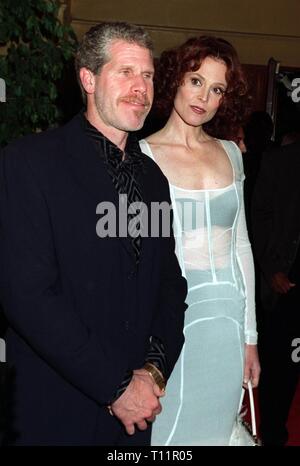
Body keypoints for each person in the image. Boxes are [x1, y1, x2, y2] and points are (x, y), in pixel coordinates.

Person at [0, 21, 187, 446]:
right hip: (54, 409)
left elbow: (168, 285)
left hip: (134, 417)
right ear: (88, 78)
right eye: (125, 72)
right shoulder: (30, 163)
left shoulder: (152, 178)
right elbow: (26, 296)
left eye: (148, 75)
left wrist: (152, 372)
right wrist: (117, 386)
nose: (140, 87)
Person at [139, 35, 260, 445]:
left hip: (228, 321)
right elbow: (139, 260)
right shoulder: (141, 157)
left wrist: (250, 338)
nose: (203, 97)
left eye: (217, 89)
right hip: (174, 322)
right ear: (176, 78)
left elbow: (241, 246)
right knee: (168, 432)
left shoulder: (230, 152)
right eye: (196, 81)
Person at [252, 139, 300, 446]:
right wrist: (271, 271)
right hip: (286, 283)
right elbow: (258, 218)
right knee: (281, 366)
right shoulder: (279, 161)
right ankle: (272, 435)